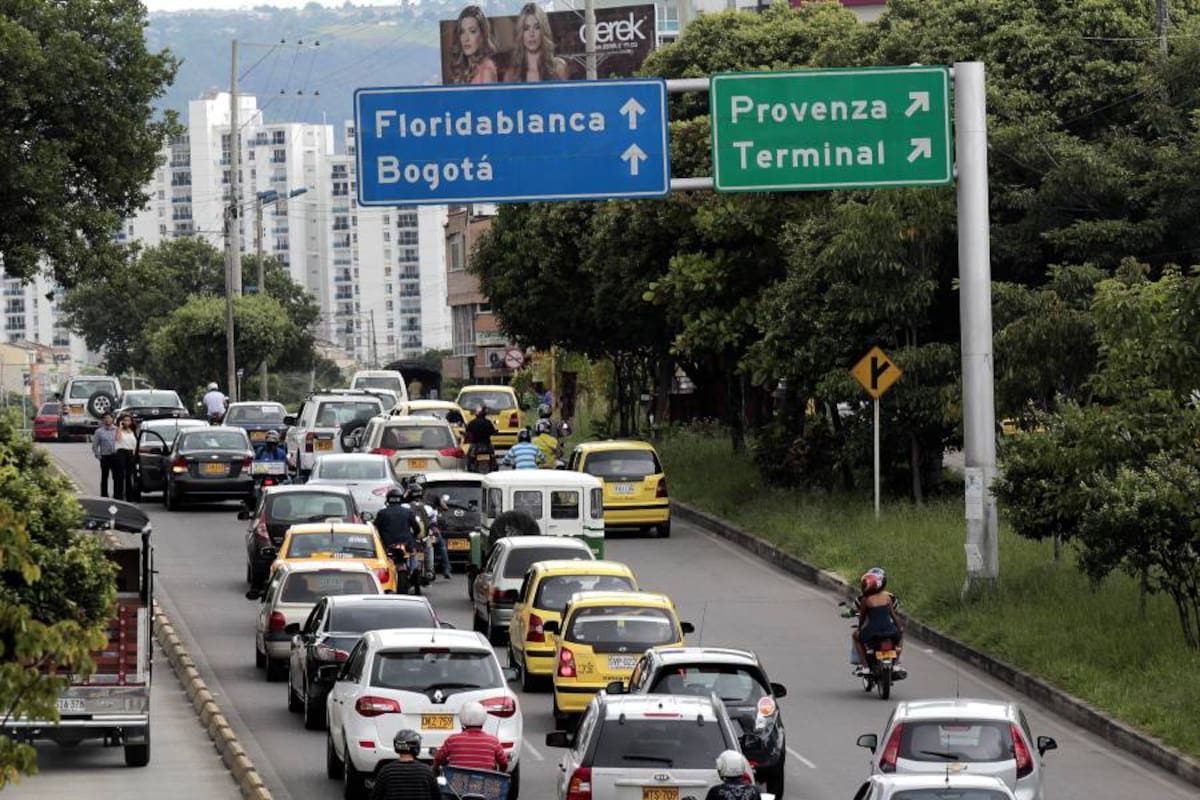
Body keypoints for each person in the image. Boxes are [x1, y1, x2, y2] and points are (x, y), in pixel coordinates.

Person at [852, 568, 904, 676]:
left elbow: (862, 618)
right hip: (890, 630)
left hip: (872, 632)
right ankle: (896, 664)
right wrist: (900, 628)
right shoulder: (887, 597)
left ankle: (865, 666)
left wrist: (859, 628)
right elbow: (894, 616)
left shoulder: (865, 600)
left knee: (855, 636)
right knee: (900, 635)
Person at [433, 700, 507, 773]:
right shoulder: (493, 741)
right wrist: (500, 773)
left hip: (456, 783)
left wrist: (435, 770)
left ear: (462, 718)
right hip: (486, 783)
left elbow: (439, 759)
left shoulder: (452, 740)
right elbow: (503, 763)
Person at [503, 2, 568, 82]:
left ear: (543, 31)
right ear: (521, 33)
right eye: (526, 28)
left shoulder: (558, 68)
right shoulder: (511, 75)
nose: (531, 33)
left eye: (537, 27)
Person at [370, 729, 439, 800]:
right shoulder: (426, 771)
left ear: (396, 746)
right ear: (417, 747)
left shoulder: (386, 771)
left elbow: (375, 796)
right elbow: (436, 796)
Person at [374, 488, 423, 577]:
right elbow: (416, 528)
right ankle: (414, 570)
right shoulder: (408, 512)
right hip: (406, 543)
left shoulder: (382, 513)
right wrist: (414, 536)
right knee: (413, 553)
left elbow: (375, 528)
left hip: (387, 544)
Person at [448, 6, 498, 84]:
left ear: (482, 35)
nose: (466, 39)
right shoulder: (464, 67)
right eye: (462, 32)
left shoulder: (486, 69)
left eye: (472, 31)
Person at [91, 412, 119, 498]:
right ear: (103, 420)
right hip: (105, 456)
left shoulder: (117, 430)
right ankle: (104, 495)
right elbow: (95, 445)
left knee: (116, 477)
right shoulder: (99, 432)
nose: (107, 420)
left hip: (116, 456)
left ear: (112, 419)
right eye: (105, 418)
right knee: (104, 477)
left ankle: (117, 495)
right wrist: (98, 455)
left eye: (109, 418)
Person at [465, 406, 497, 471]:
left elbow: (467, 433)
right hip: (487, 444)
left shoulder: (472, 423)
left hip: (475, 445)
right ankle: (494, 465)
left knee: (469, 458)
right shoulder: (488, 422)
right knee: (493, 455)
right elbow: (493, 432)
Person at [114, 413, 138, 501]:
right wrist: (120, 427)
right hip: (121, 452)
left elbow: (135, 444)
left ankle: (129, 496)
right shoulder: (119, 430)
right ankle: (118, 496)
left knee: (129, 476)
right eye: (125, 420)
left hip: (130, 453)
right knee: (120, 475)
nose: (126, 422)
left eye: (128, 420)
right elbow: (118, 439)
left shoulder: (132, 431)